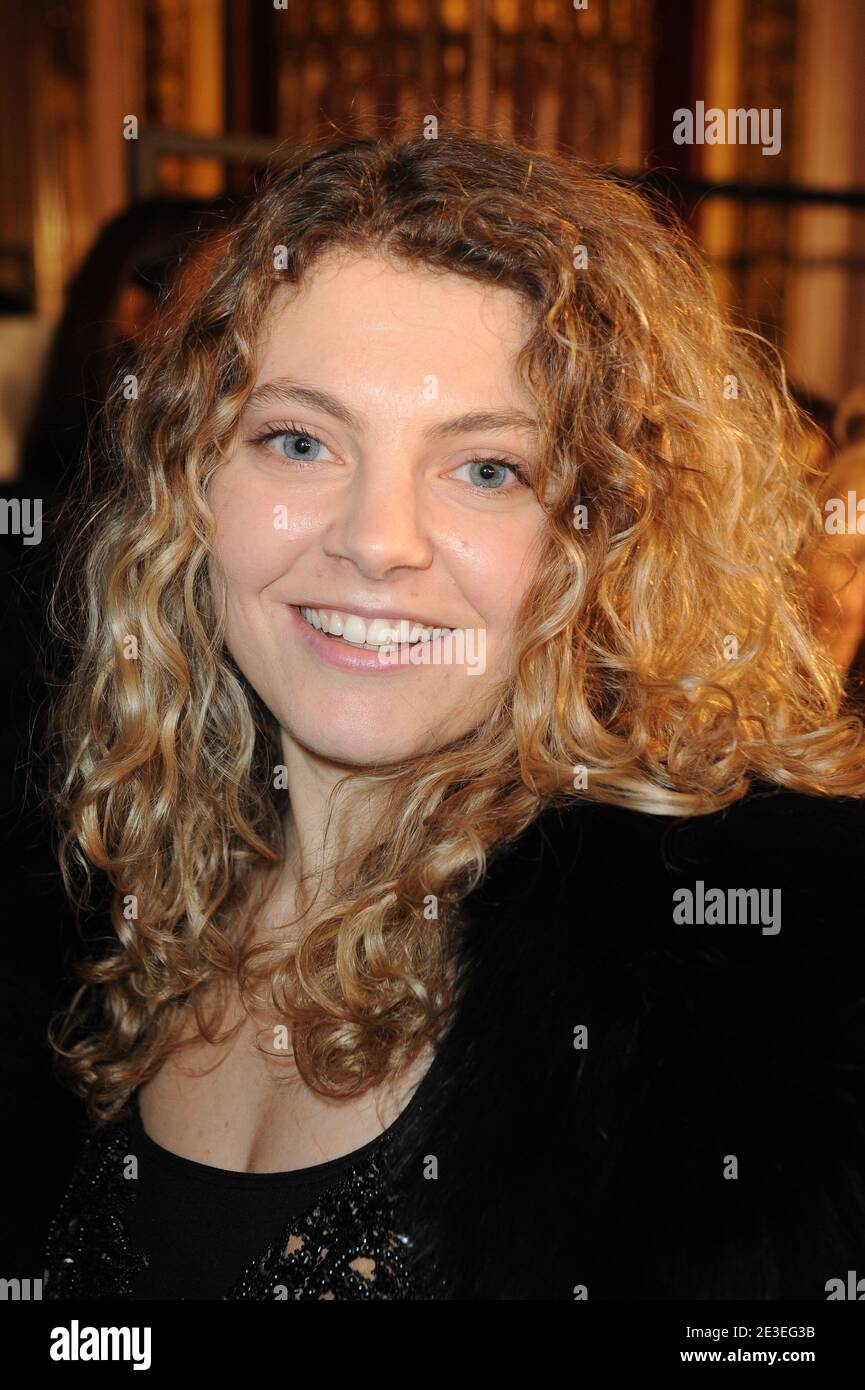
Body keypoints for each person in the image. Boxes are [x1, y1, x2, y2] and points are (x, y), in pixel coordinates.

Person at [40, 131, 865, 1301]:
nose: (377, 540)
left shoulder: (746, 991)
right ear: (190, 489)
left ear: (606, 530)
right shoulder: (109, 883)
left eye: (485, 468)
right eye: (297, 441)